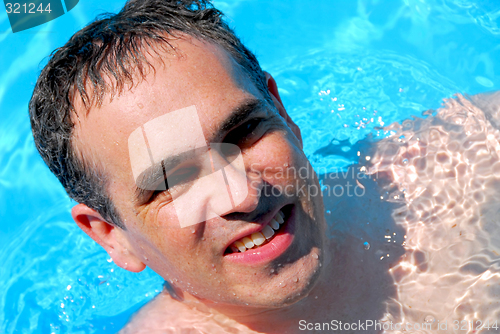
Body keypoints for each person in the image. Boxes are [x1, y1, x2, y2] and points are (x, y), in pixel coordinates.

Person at [29, 0, 500, 332]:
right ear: (110, 236)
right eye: (174, 180)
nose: (243, 196)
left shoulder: (454, 167)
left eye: (243, 134)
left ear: (284, 115)